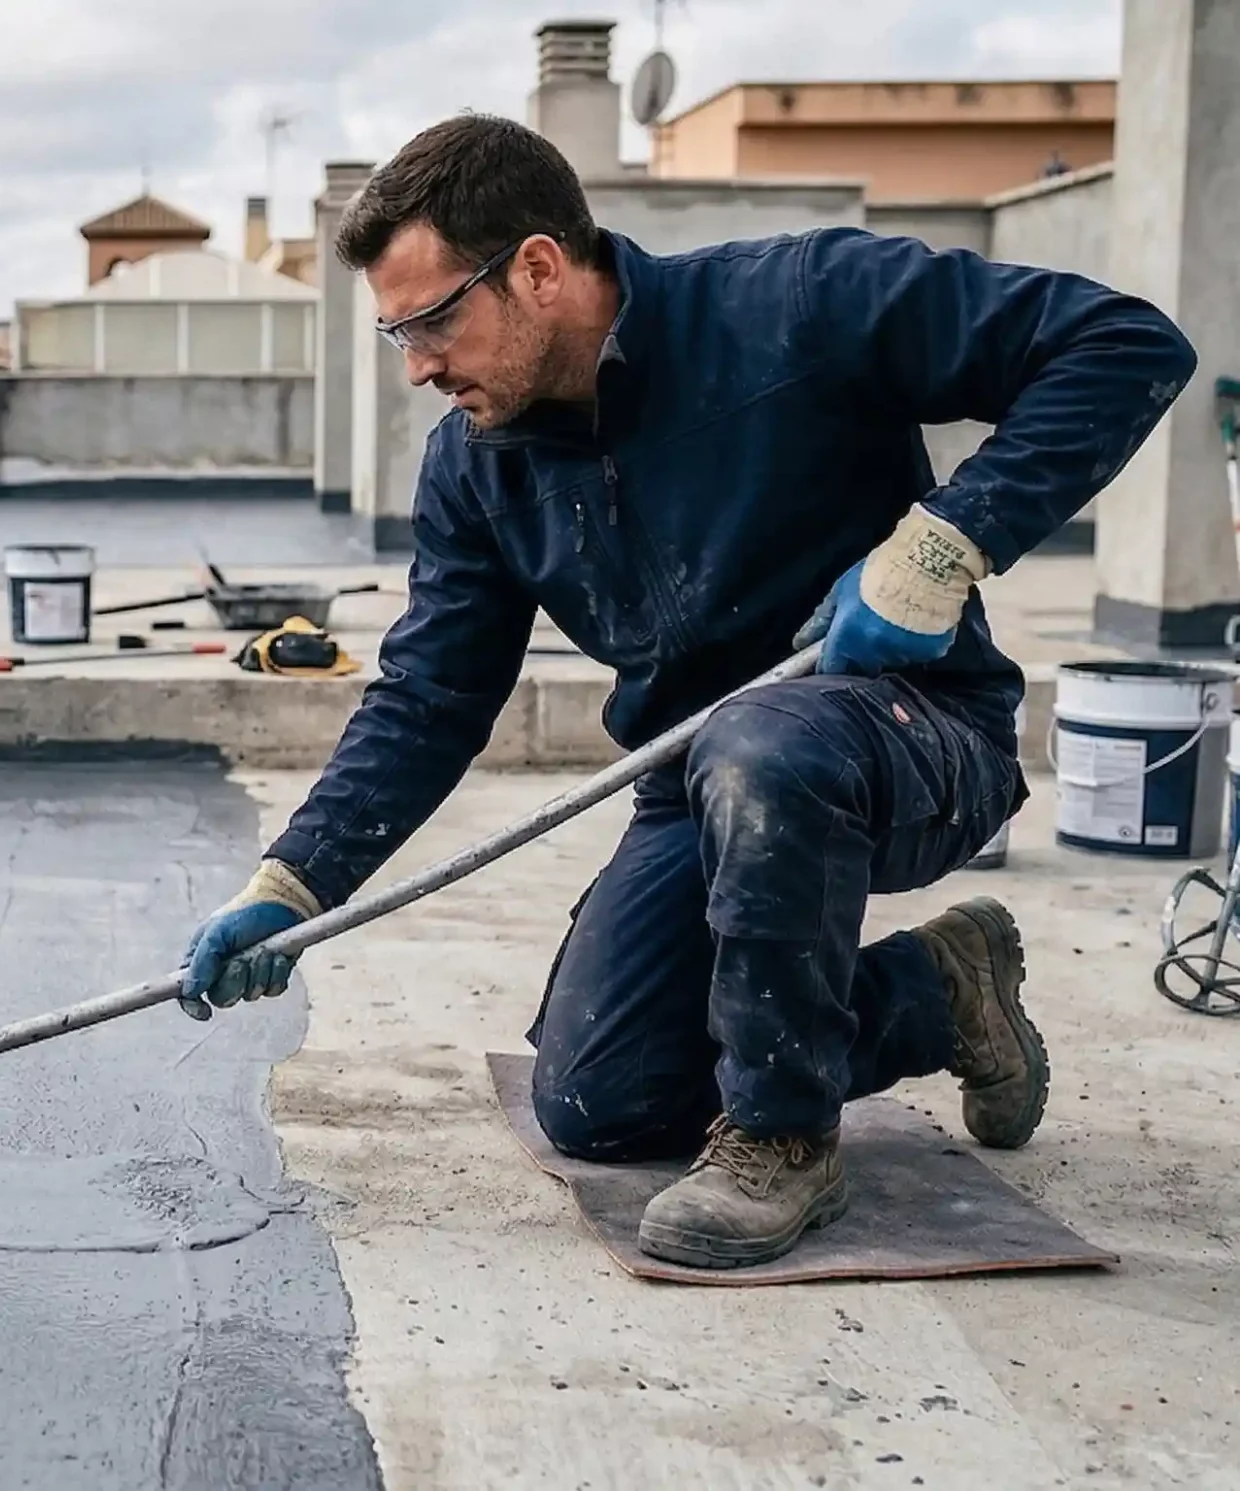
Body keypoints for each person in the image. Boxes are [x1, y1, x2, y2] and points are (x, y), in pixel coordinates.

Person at [177, 114, 1195, 1269]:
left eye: (432, 322)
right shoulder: (475, 466)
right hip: (696, 784)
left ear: (538, 269)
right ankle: (937, 991)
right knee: (601, 1105)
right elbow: (430, 694)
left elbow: (1121, 344)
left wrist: (943, 544)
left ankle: (784, 1139)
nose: (417, 366)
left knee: (762, 744)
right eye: (394, 332)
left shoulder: (796, 304)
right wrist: (295, 882)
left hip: (916, 740)